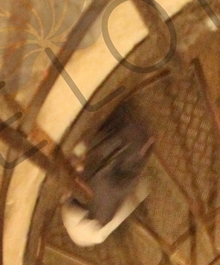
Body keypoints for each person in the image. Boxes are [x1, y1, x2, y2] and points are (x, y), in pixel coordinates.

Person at [61, 102, 154, 247]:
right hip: (121, 131)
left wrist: (143, 187)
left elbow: (125, 188)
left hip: (129, 137)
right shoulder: (86, 194)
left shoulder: (102, 207)